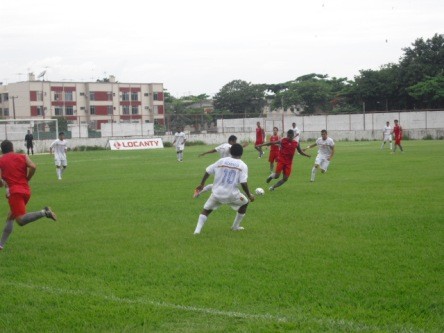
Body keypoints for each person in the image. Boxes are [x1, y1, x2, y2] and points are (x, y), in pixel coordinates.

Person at [0, 140, 57, 251]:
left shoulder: (1, 160)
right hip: (26, 191)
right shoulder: (23, 156)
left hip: (15, 193)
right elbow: (33, 166)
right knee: (10, 216)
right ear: (13, 148)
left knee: (20, 220)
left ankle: (44, 212)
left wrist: (3, 184)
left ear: (2, 150)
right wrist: (27, 178)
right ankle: (1, 245)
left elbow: (0, 182)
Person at [193, 143, 254, 234]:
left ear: (230, 151)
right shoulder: (242, 165)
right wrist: (249, 195)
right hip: (232, 195)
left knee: (206, 210)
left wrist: (202, 184)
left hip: (216, 193)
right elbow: (243, 183)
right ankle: (235, 227)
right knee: (245, 203)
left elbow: (207, 171)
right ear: (242, 153)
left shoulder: (221, 161)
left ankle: (196, 232)